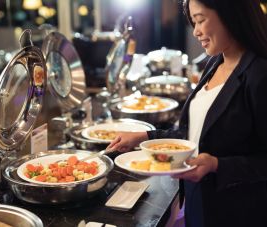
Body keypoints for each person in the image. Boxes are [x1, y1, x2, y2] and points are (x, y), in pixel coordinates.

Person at [107, 0, 267, 226]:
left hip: (237, 212)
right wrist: (144, 138)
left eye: (201, 20)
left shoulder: (259, 74)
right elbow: (192, 133)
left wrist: (217, 165)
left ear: (231, 14)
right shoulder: (215, 63)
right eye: (193, 22)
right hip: (198, 202)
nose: (196, 31)